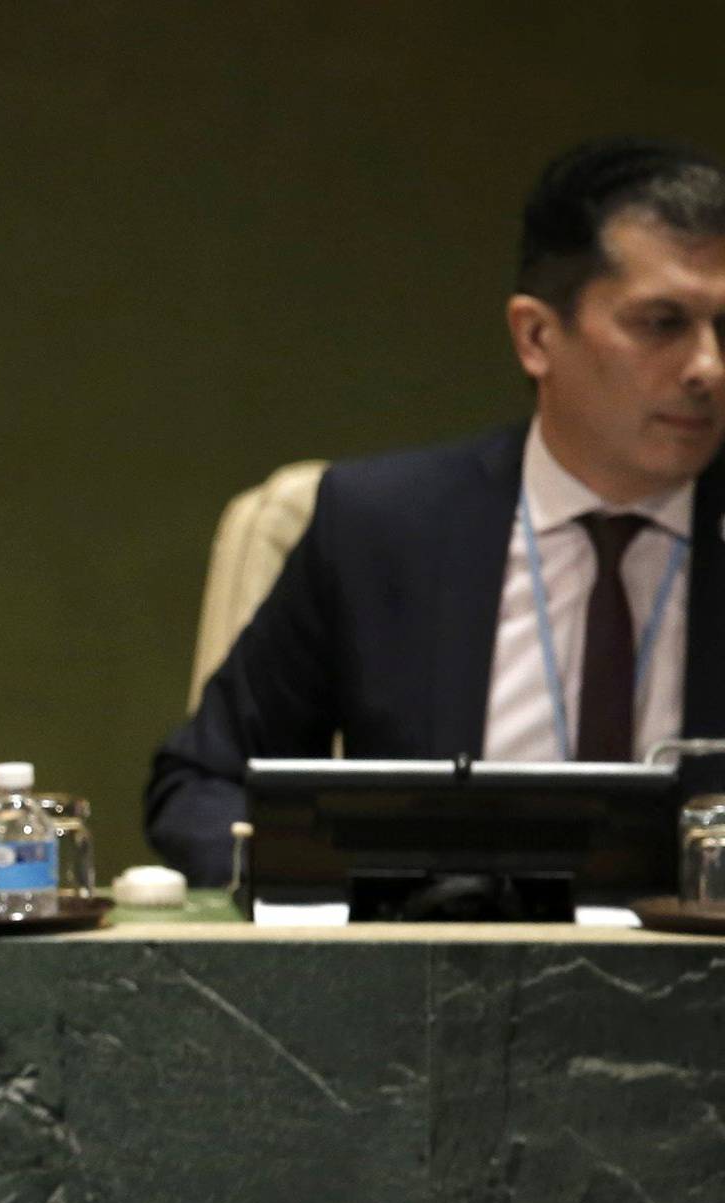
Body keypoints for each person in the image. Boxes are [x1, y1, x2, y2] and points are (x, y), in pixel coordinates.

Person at [147, 136, 725, 885]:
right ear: (538, 336)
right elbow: (199, 783)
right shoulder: (380, 527)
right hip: (424, 978)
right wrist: (328, 886)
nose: (708, 367)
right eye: (662, 324)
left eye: (723, 328)